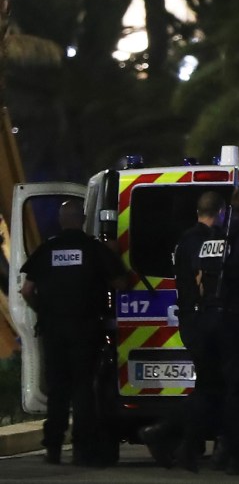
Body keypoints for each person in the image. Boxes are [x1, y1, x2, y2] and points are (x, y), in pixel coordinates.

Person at [18, 200, 127, 466]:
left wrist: (43, 310)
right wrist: (113, 257)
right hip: (86, 328)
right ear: (83, 219)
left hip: (53, 330)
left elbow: (27, 290)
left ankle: (53, 448)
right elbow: (121, 283)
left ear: (60, 220)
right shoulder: (93, 249)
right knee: (83, 389)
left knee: (58, 389)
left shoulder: (47, 249)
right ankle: (83, 449)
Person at [175, 185, 239, 475]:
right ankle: (235, 456)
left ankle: (187, 448)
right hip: (234, 323)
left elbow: (200, 280)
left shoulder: (212, 241)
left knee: (209, 387)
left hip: (206, 320)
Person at [140, 191, 226, 468]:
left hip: (191, 319)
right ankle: (162, 431)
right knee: (210, 388)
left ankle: (188, 444)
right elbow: (203, 278)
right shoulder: (202, 240)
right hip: (201, 320)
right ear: (221, 212)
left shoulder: (186, 239)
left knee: (210, 387)